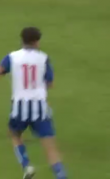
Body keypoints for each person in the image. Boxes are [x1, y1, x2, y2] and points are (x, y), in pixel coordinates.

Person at [0, 27, 68, 179]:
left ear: (22, 40)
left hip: (19, 107)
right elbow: (50, 83)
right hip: (40, 108)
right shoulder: (43, 58)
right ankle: (61, 176)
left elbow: (1, 71)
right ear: (36, 42)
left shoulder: (12, 57)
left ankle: (27, 166)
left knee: (15, 135)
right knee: (50, 147)